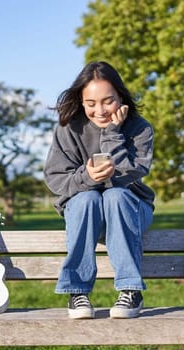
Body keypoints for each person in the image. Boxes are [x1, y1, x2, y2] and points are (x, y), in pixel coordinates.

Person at [44, 61, 155, 319]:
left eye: (108, 101)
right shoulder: (69, 127)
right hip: (85, 214)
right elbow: (55, 177)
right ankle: (77, 292)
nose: (100, 110)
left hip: (129, 211)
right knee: (86, 199)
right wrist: (87, 177)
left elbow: (130, 173)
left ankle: (130, 290)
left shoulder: (140, 128)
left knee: (115, 195)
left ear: (121, 97)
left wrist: (112, 133)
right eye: (91, 103)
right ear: (81, 101)